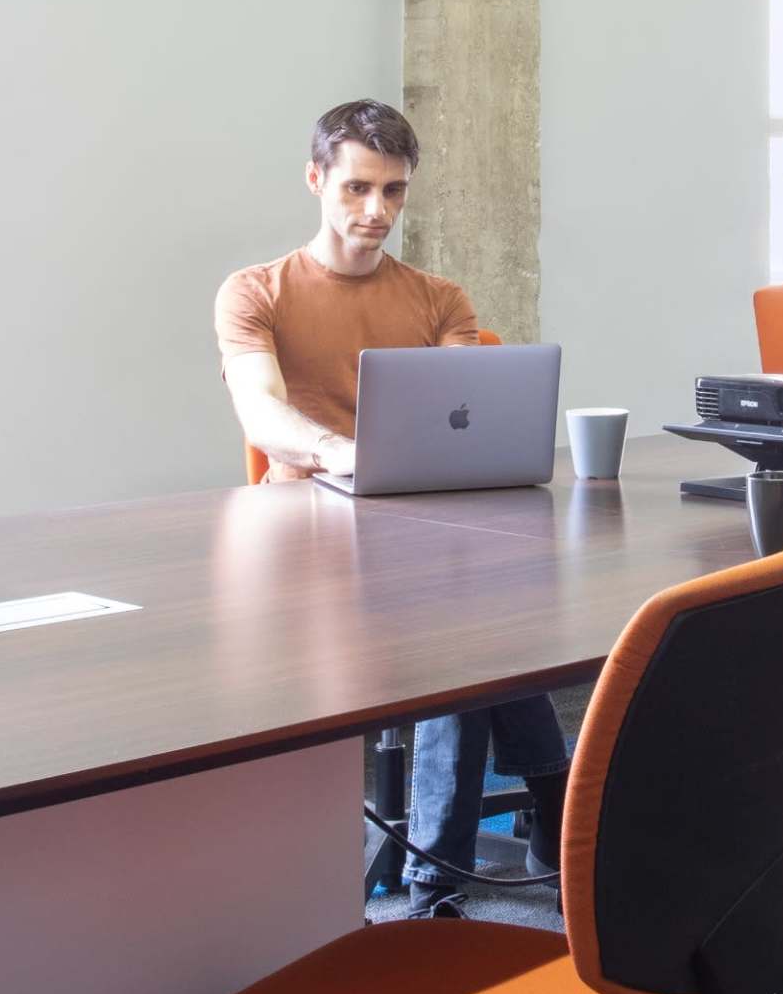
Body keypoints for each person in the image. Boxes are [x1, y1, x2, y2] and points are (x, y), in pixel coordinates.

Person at [215, 98, 568, 919]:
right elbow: (262, 413)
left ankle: (444, 882)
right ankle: (540, 810)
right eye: (358, 188)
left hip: (421, 535)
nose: (377, 211)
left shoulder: (439, 300)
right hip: (307, 543)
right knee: (464, 634)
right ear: (316, 180)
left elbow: (470, 409)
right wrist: (345, 452)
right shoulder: (254, 293)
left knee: (468, 616)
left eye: (395, 191)